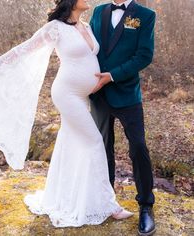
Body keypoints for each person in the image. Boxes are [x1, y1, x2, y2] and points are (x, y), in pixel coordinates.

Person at [0, 0, 134, 228]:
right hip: (67, 94)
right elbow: (23, 50)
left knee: (71, 144)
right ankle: (109, 205)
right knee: (95, 141)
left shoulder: (86, 25)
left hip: (84, 97)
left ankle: (67, 197)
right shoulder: (55, 27)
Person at [89, 0, 156, 235]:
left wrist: (113, 75)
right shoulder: (98, 11)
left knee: (138, 147)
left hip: (128, 94)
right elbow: (90, 48)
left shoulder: (146, 15)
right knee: (101, 148)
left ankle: (146, 206)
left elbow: (144, 55)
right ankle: (106, 201)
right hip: (98, 94)